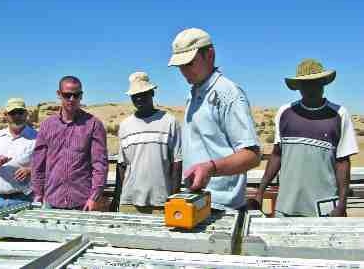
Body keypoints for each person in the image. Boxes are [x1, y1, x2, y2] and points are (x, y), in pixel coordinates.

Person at [168, 28, 260, 211]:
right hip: (197, 200)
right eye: (181, 66)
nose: (184, 71)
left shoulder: (228, 94)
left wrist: (211, 168)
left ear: (210, 55)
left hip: (223, 208)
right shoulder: (194, 94)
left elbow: (252, 156)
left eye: (190, 63)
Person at [256, 59, 359, 217]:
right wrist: (260, 191)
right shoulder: (285, 112)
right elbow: (277, 154)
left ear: (324, 83)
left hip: (325, 208)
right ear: (298, 87)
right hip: (286, 205)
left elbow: (343, 162)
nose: (311, 88)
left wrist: (342, 205)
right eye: (306, 83)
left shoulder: (339, 114)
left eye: (316, 82)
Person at [31, 75, 108, 211]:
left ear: (81, 96)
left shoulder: (93, 124)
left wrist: (94, 197)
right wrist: (38, 194)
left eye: (76, 95)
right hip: (51, 200)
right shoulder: (47, 125)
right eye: (67, 95)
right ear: (59, 94)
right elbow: (38, 164)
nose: (72, 99)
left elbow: (99, 165)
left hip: (82, 202)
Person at [117, 72, 182, 214]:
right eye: (135, 95)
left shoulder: (169, 122)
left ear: (152, 93)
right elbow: (122, 165)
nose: (139, 98)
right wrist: (122, 194)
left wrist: (174, 199)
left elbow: (177, 163)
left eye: (143, 93)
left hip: (162, 202)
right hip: (129, 202)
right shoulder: (125, 126)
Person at [0, 98, 36, 211]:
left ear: (26, 114)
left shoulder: (37, 137)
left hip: (25, 199)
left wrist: (31, 169)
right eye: (13, 113)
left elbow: (49, 164)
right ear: (5, 115)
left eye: (20, 112)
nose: (17, 116)